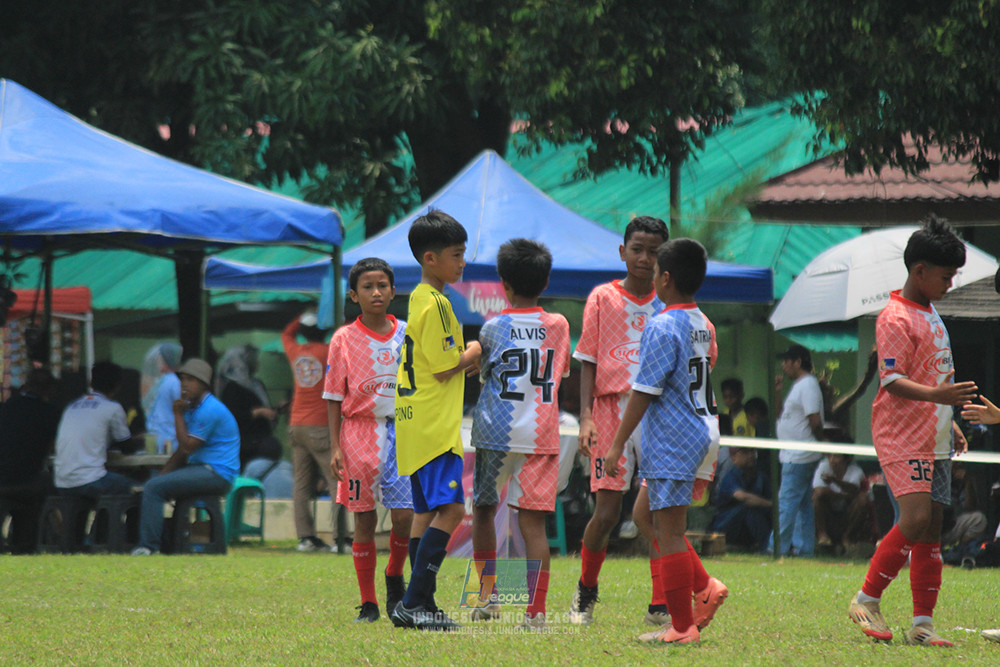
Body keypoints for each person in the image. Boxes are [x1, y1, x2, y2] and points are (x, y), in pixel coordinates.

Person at [848, 217, 977, 647]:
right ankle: (866, 598)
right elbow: (893, 382)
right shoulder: (894, 317)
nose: (950, 283)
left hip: (934, 435)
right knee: (916, 518)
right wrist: (943, 401)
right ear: (919, 271)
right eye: (946, 276)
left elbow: (933, 375)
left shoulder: (932, 313)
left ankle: (922, 623)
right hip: (902, 436)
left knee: (933, 526)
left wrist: (951, 422)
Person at [605, 238, 726, 645]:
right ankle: (706, 586)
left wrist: (617, 443)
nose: (650, 275)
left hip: (675, 436)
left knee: (671, 531)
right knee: (644, 515)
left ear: (666, 279)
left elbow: (644, 390)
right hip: (703, 428)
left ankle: (680, 626)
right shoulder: (701, 322)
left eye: (655, 270)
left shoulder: (661, 324)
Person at [570, 215, 669, 626]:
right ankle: (585, 592)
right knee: (607, 511)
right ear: (622, 252)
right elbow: (588, 361)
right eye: (637, 249)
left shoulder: (670, 302)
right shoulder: (601, 298)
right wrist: (586, 418)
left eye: (654, 251)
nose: (645, 258)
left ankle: (660, 604)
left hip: (658, 412)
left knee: (662, 510)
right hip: (611, 410)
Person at [469, 239, 571, 631]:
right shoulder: (559, 325)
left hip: (496, 431)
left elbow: (488, 374)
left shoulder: (493, 327)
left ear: (503, 284)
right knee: (533, 526)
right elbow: (557, 374)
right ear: (545, 282)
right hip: (540, 434)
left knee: (483, 510)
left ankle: (488, 598)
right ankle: (536, 613)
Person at [387, 211, 482, 631]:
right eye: (456, 255)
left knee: (425, 512)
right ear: (430, 258)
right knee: (452, 509)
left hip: (413, 421)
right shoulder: (439, 303)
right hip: (433, 426)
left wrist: (462, 364)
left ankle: (422, 603)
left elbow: (436, 365)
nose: (462, 263)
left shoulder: (417, 299)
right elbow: (445, 367)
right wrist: (477, 348)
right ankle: (412, 601)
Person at [325, 258, 413, 623]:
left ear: (393, 291)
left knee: (405, 514)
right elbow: (332, 395)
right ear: (353, 294)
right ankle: (369, 602)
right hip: (359, 432)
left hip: (404, 429)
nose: (376, 292)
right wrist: (334, 445)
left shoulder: (409, 332)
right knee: (363, 519)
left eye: (382, 285)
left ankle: (394, 574)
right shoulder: (343, 339)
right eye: (367, 286)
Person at [132, 358, 241, 555]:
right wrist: (162, 476)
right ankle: (165, 544)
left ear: (204, 384)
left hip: (217, 473)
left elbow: (188, 447)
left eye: (191, 380)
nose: (184, 384)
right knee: (153, 484)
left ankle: (149, 547)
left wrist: (177, 415)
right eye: (182, 379)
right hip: (201, 469)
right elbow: (181, 453)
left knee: (153, 488)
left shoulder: (209, 409)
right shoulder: (193, 408)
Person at [282, 310, 342, 553]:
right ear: (323, 330)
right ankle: (341, 538)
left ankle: (305, 537)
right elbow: (342, 334)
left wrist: (303, 314)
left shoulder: (294, 351)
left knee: (301, 485)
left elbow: (287, 333)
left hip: (296, 425)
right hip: (320, 426)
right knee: (335, 481)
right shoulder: (328, 351)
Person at [54, 361, 143, 498]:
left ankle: (104, 519)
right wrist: (139, 441)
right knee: (140, 489)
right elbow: (127, 448)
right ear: (117, 386)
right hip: (91, 481)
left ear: (91, 382)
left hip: (62, 483)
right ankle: (126, 520)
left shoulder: (72, 407)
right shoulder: (112, 408)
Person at [771, 344, 825, 557]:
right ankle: (804, 549)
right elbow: (782, 414)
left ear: (798, 362)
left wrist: (820, 441)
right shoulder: (799, 385)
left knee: (786, 503)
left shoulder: (808, 385)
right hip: (794, 454)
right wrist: (777, 392)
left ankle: (775, 547)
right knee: (802, 505)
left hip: (799, 455)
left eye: (787, 361)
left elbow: (814, 419)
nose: (784, 366)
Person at [0, 368, 60, 553]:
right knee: (57, 486)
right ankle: (55, 539)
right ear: (50, 391)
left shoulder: (6, 408)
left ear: (25, 385)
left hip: (2, 479)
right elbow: (54, 446)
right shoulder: (51, 413)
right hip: (29, 482)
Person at [216, 344, 282, 470]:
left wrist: (275, 410)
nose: (257, 363)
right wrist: (257, 413)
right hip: (245, 442)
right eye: (254, 360)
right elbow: (232, 416)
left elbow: (263, 408)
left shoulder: (256, 384)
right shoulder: (231, 388)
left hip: (261, 436)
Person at [710, 447, 771, 552]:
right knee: (747, 508)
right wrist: (769, 504)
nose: (750, 456)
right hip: (726, 527)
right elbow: (742, 496)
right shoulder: (730, 477)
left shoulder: (761, 477)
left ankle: (772, 546)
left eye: (752, 451)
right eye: (744, 453)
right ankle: (766, 547)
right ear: (733, 457)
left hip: (747, 529)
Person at [812, 453, 871, 554]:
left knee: (862, 499)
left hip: (848, 513)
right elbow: (819, 491)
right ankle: (822, 535)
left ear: (846, 459)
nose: (832, 460)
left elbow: (854, 490)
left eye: (837, 456)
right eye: (830, 456)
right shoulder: (823, 466)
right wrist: (843, 495)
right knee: (817, 497)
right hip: (829, 513)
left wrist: (834, 481)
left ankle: (847, 537)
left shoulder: (855, 470)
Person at [141, 342, 183, 454]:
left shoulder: (167, 381)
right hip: (166, 439)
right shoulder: (171, 382)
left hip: (162, 439)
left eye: (160, 358)